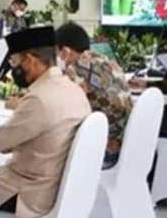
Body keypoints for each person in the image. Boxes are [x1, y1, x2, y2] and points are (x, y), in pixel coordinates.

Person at [0, 27, 91, 218]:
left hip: (28, 194)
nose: (14, 69)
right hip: (55, 187)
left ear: (31, 60)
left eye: (15, 61)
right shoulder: (73, 89)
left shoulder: (39, 99)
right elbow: (14, 137)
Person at [55, 23, 133, 168]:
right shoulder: (105, 60)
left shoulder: (75, 70)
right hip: (127, 141)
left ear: (65, 51)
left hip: (107, 148)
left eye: (57, 53)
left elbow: (64, 108)